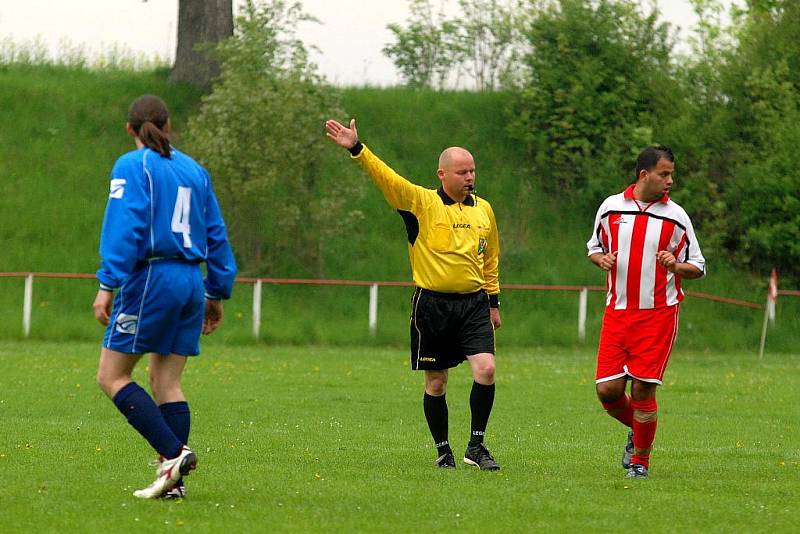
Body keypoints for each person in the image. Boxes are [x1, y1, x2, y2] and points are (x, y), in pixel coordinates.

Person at [325, 118, 503, 470]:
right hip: (432, 306)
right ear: (442, 174)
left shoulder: (484, 210)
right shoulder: (420, 202)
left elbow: (491, 257)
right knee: (436, 382)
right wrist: (357, 150)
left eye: (472, 171)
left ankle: (476, 446)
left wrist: (493, 301)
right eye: (462, 172)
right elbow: (387, 178)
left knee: (486, 369)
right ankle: (443, 450)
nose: (470, 178)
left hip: (473, 304)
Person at [93, 95, 237, 498]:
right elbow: (216, 235)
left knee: (112, 375)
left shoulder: (131, 165)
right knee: (166, 382)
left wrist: (108, 284)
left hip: (154, 276)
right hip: (192, 279)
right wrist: (217, 291)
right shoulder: (195, 171)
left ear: (130, 130)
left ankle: (174, 454)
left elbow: (126, 226)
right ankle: (173, 485)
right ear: (169, 126)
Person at [587, 145, 705, 478]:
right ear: (644, 175)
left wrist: (677, 265)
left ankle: (640, 461)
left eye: (671, 175)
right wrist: (601, 260)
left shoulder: (676, 216)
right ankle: (639, 431)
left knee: (642, 389)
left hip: (658, 315)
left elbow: (698, 266)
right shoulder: (610, 208)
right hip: (617, 313)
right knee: (607, 391)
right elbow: (594, 248)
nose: (670, 181)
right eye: (664, 174)